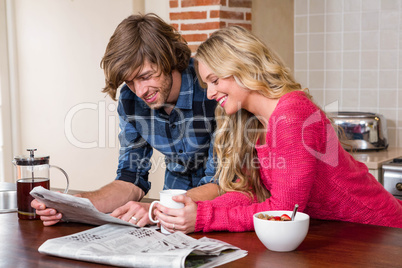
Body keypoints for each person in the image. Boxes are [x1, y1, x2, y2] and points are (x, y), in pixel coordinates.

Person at [151, 25, 402, 234]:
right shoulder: (252, 122)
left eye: (215, 81)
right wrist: (190, 206)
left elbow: (283, 210)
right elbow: (250, 194)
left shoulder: (293, 116)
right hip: (338, 234)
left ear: (243, 67)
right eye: (206, 84)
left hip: (381, 232)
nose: (210, 93)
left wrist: (205, 217)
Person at [31, 13, 218, 227]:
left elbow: (222, 183)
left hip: (218, 214)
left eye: (145, 76)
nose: (140, 91)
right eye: (130, 82)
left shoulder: (211, 88)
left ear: (169, 59)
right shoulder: (131, 101)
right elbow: (131, 178)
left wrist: (157, 209)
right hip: (170, 222)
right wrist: (76, 203)